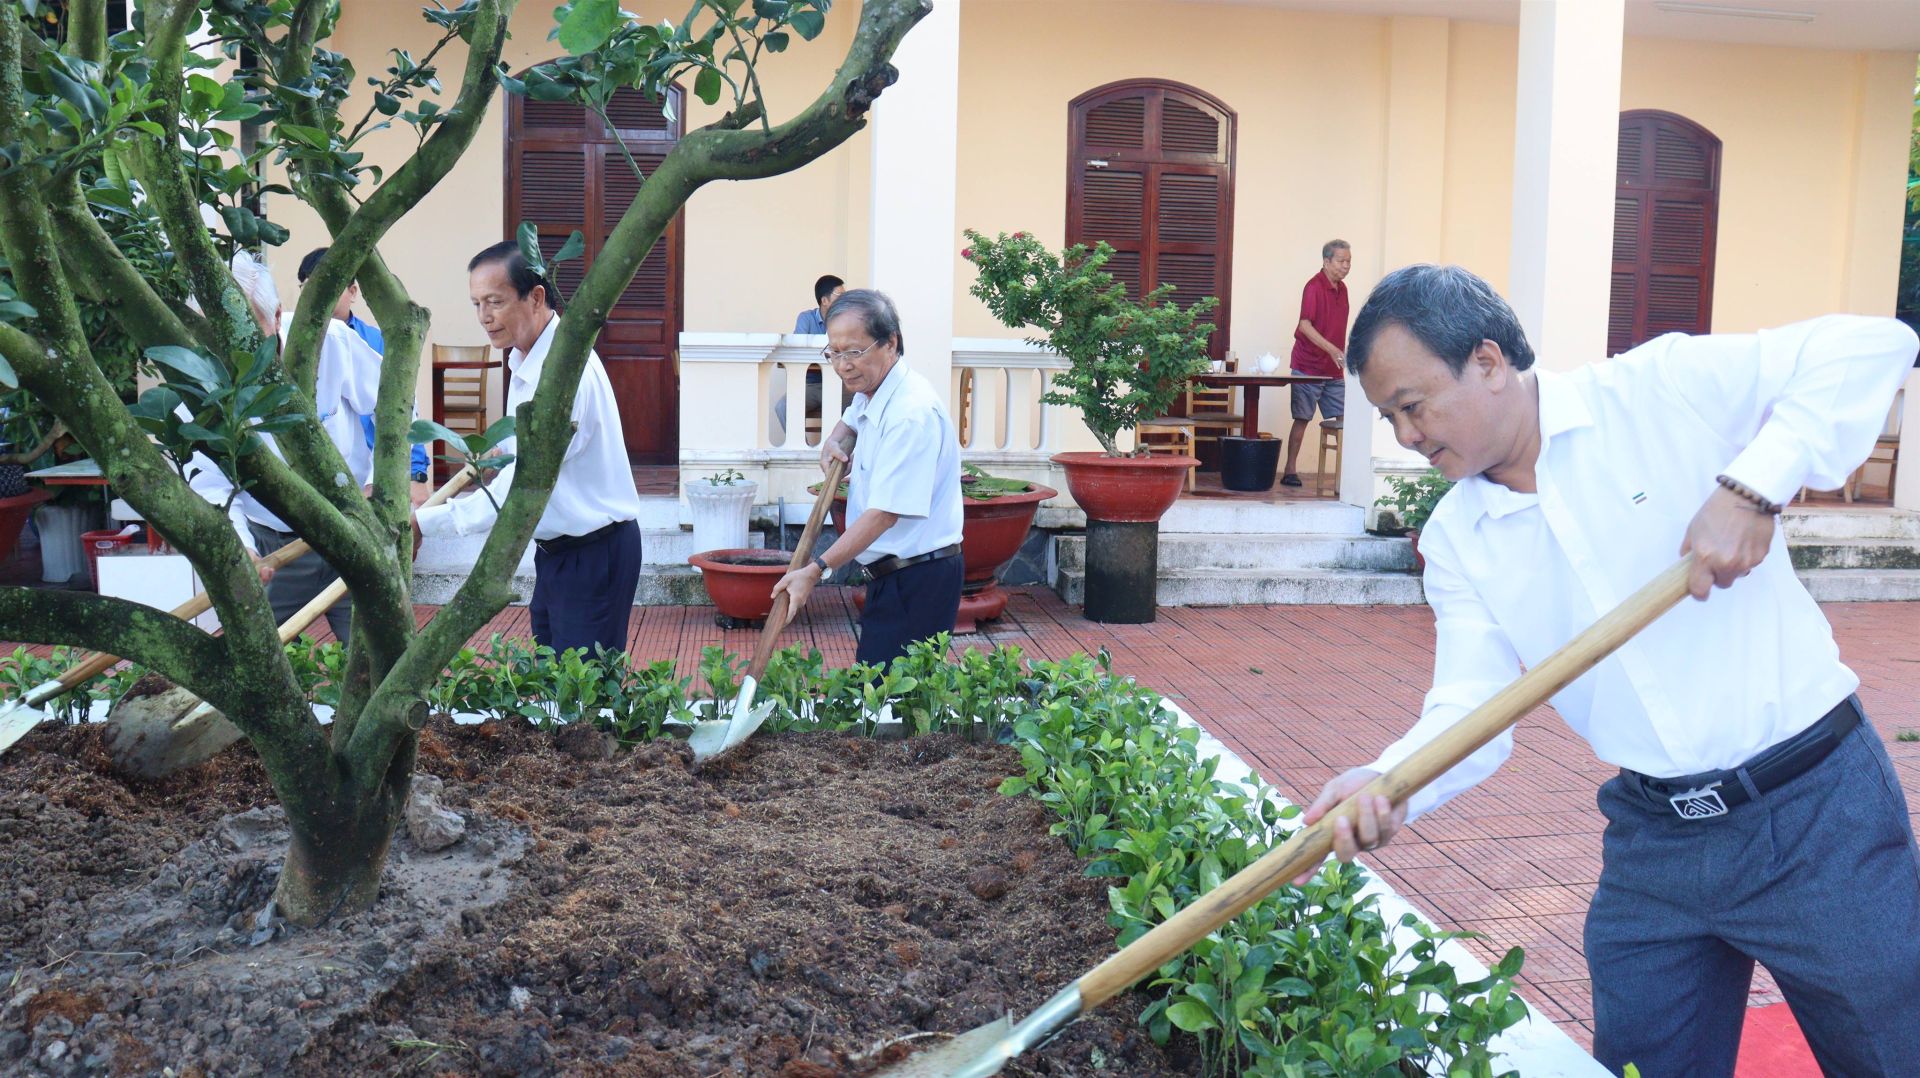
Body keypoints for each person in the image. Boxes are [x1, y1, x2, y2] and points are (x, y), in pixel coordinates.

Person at [1294, 264, 1920, 1077]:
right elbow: (1474, 705)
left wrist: (1753, 487)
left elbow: (1876, 342)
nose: (1406, 436)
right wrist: (1389, 779)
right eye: (1389, 417)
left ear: (1487, 361)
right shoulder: (1458, 536)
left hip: (1812, 814)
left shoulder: (1657, 390)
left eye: (1413, 406)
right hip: (1655, 843)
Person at [412, 242, 644, 654]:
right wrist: (491, 459)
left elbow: (518, 489)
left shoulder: (562, 374)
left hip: (594, 553)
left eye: (495, 302)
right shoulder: (527, 360)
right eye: (476, 304)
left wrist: (424, 523)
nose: (484, 317)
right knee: (553, 680)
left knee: (582, 699)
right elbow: (513, 457)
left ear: (536, 297)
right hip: (557, 552)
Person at [184, 250, 381, 643]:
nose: (233, 350)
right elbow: (211, 483)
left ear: (275, 317)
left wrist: (382, 483)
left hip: (352, 527)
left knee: (373, 657)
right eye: (216, 336)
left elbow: (395, 407)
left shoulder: (330, 340)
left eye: (246, 332)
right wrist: (241, 548)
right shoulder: (197, 386)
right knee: (253, 654)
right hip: (275, 544)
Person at [769, 289, 963, 667]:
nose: (843, 365)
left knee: (891, 708)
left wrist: (816, 570)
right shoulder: (876, 390)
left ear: (890, 343)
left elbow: (884, 514)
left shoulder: (911, 413)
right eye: (834, 352)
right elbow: (855, 416)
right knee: (879, 701)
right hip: (891, 575)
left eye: (854, 352)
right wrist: (836, 438)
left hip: (918, 579)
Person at [295, 247, 431, 507]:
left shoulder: (376, 342)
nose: (319, 296)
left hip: (371, 476)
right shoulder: (294, 347)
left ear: (353, 292)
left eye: (330, 287)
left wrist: (416, 473)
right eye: (310, 287)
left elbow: (403, 407)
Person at [1281, 240, 1351, 487]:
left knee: (1346, 419)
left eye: (1348, 261)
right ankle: (1290, 469)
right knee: (1302, 418)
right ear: (1326, 261)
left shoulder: (1343, 290)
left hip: (1333, 369)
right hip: (1308, 366)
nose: (1346, 266)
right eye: (1341, 261)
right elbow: (1304, 325)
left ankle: (1347, 475)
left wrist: (1343, 352)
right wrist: (1332, 349)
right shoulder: (1313, 287)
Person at [774, 274, 844, 440]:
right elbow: (798, 350)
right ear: (824, 300)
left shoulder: (845, 320)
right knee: (783, 407)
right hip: (811, 385)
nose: (845, 300)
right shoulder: (806, 319)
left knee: (863, 405)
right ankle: (800, 449)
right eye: (840, 296)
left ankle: (844, 455)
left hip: (840, 384)